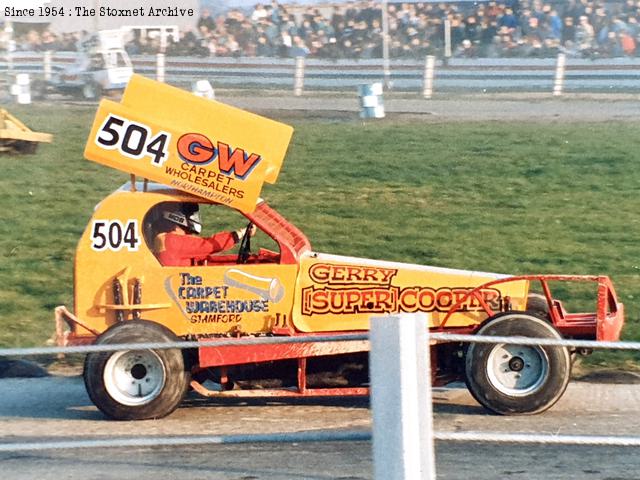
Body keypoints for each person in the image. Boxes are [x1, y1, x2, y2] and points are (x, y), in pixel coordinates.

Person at [154, 204, 256, 266]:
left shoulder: (161, 239)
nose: (189, 234)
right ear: (177, 220)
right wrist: (241, 232)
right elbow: (209, 245)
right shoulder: (170, 241)